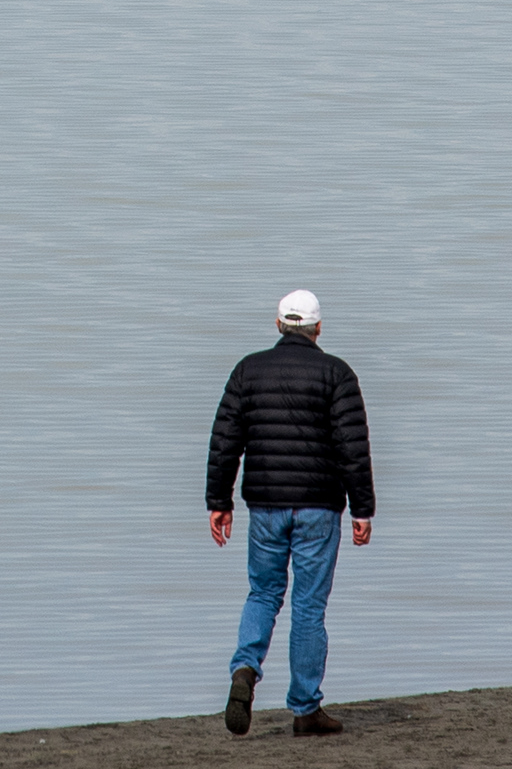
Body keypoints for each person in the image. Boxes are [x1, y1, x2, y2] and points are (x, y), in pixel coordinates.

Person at [204, 288, 375, 738]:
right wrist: (363, 509)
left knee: (263, 594)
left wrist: (218, 502)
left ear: (277, 325)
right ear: (318, 328)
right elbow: (352, 449)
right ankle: (304, 708)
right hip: (319, 505)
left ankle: (244, 669)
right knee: (308, 606)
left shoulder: (248, 370)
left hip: (264, 505)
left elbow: (225, 442)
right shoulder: (337, 374)